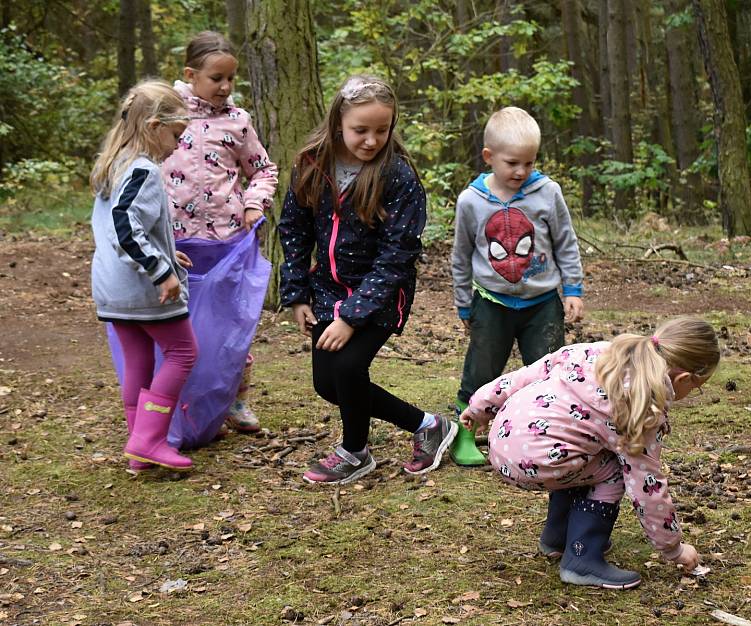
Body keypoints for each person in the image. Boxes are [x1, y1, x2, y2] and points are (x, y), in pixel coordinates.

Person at [279, 75, 456, 485]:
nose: (372, 140)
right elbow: (294, 228)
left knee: (349, 370)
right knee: (327, 384)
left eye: (382, 130)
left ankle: (354, 452)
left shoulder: (398, 176)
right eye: (361, 130)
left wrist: (352, 316)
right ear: (338, 121)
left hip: (379, 294)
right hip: (324, 290)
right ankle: (428, 424)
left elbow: (398, 254)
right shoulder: (312, 163)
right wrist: (297, 294)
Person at [461, 317, 720, 589]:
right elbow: (647, 486)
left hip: (502, 437)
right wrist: (673, 548)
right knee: (615, 471)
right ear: (684, 378)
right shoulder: (643, 406)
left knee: (583, 454)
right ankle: (582, 559)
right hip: (538, 459)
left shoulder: (598, 352)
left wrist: (480, 405)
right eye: (697, 388)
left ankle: (557, 538)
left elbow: (527, 374)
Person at [450, 107, 584, 467]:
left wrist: (572, 289)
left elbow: (565, 242)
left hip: (542, 303)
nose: (521, 171)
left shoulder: (547, 193)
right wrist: (464, 304)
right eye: (512, 163)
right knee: (481, 370)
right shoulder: (470, 201)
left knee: (549, 370)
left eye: (529, 162)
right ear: (489, 157)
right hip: (491, 302)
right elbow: (461, 255)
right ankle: (465, 435)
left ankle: (552, 434)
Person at [162, 31, 278, 435]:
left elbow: (263, 169)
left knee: (231, 330)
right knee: (181, 333)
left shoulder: (237, 120)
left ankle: (234, 402)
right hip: (174, 246)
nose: (225, 87)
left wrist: (252, 204)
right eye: (216, 78)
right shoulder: (166, 114)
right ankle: (181, 406)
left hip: (228, 244)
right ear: (190, 74)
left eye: (231, 78)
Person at [90, 80, 198, 471]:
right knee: (183, 353)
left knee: (137, 359)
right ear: (154, 127)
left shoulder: (112, 162)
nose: (177, 145)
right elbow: (125, 225)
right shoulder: (143, 169)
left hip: (111, 287)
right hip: (142, 288)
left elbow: (124, 226)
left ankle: (139, 449)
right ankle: (148, 439)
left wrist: (169, 254)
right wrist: (160, 270)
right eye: (176, 134)